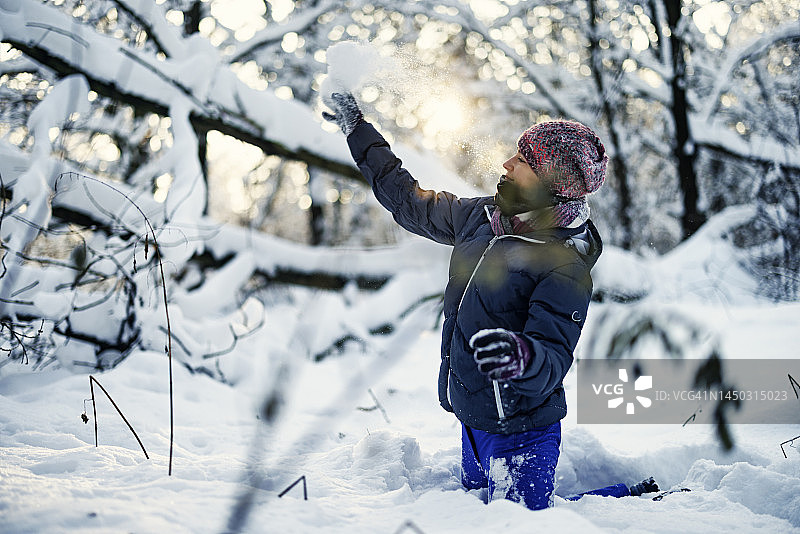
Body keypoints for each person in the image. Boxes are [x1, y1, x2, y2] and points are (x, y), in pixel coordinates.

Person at [323, 93, 658, 509]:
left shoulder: (563, 264)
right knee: (478, 511)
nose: (507, 163)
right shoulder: (480, 219)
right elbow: (409, 201)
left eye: (524, 160)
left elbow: (552, 356)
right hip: (474, 418)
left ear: (550, 183)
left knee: (530, 524)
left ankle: (635, 501)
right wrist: (358, 131)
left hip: (521, 433)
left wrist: (523, 357)